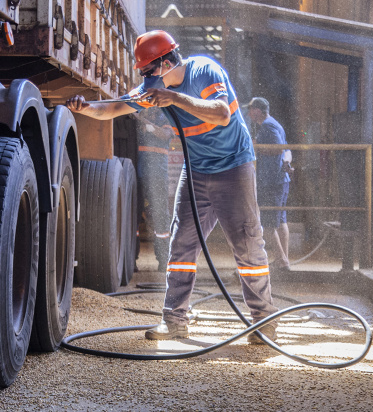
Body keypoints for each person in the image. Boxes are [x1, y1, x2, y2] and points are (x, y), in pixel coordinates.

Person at [66, 30, 278, 344]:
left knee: (247, 245)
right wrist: (85, 108)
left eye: (148, 70)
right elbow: (114, 108)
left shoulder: (205, 70)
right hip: (197, 171)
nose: (146, 78)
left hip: (234, 167)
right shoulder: (153, 87)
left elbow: (222, 114)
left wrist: (175, 98)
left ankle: (263, 322)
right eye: (143, 73)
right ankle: (175, 320)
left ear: (166, 62)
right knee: (181, 245)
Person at [246, 97, 293, 272]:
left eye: (251, 110)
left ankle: (282, 260)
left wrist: (256, 146)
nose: (249, 113)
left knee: (269, 223)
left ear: (258, 110)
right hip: (280, 180)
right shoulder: (275, 124)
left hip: (271, 181)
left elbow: (279, 148)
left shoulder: (268, 126)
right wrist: (286, 163)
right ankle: (283, 260)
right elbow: (286, 149)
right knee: (280, 221)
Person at [136, 110, 174, 272]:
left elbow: (165, 135)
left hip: (158, 175)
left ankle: (164, 260)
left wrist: (144, 123)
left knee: (161, 217)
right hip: (138, 173)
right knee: (134, 215)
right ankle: (131, 260)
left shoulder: (165, 116)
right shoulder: (139, 114)